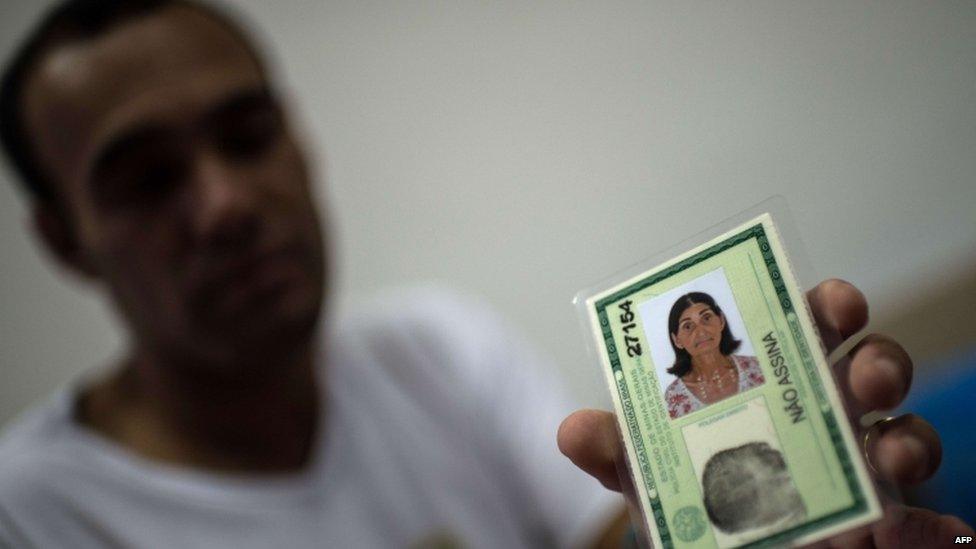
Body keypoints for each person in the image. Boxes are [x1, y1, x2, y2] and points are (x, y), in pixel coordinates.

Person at [0, 1, 969, 547]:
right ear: (66, 240)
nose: (223, 204)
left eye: (248, 136)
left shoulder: (434, 346)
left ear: (297, 143)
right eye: (146, 180)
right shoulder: (33, 512)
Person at [663, 291, 764, 419]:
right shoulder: (673, 399)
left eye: (706, 318)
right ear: (677, 340)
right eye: (688, 326)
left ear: (721, 320)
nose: (700, 331)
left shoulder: (758, 368)